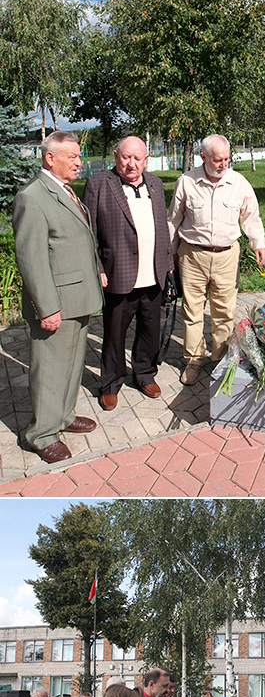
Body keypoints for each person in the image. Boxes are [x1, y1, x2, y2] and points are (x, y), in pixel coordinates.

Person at [12, 131, 102, 462]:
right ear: (51, 158)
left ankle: (62, 416)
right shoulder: (32, 197)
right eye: (73, 156)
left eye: (79, 156)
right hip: (56, 303)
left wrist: (98, 272)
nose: (80, 162)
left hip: (78, 296)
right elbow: (32, 259)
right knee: (49, 368)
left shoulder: (62, 190)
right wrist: (47, 307)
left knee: (72, 363)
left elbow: (75, 242)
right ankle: (41, 434)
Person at [167, 134, 265, 385]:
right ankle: (193, 361)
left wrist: (258, 243)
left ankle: (219, 361)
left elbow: (251, 217)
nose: (223, 164)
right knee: (192, 311)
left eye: (226, 159)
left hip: (226, 255)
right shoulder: (186, 182)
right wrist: (168, 254)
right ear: (203, 157)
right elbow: (173, 220)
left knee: (224, 312)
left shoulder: (239, 183)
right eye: (217, 159)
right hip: (192, 255)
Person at [82, 136, 173, 411]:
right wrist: (97, 268)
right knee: (113, 334)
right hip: (118, 274)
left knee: (149, 330)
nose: (131, 163)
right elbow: (89, 233)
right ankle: (110, 383)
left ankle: (145, 374)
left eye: (137, 158)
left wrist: (168, 265)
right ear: (115, 156)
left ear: (146, 160)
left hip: (153, 274)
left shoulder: (155, 184)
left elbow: (162, 227)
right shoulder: (98, 184)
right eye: (126, 157)